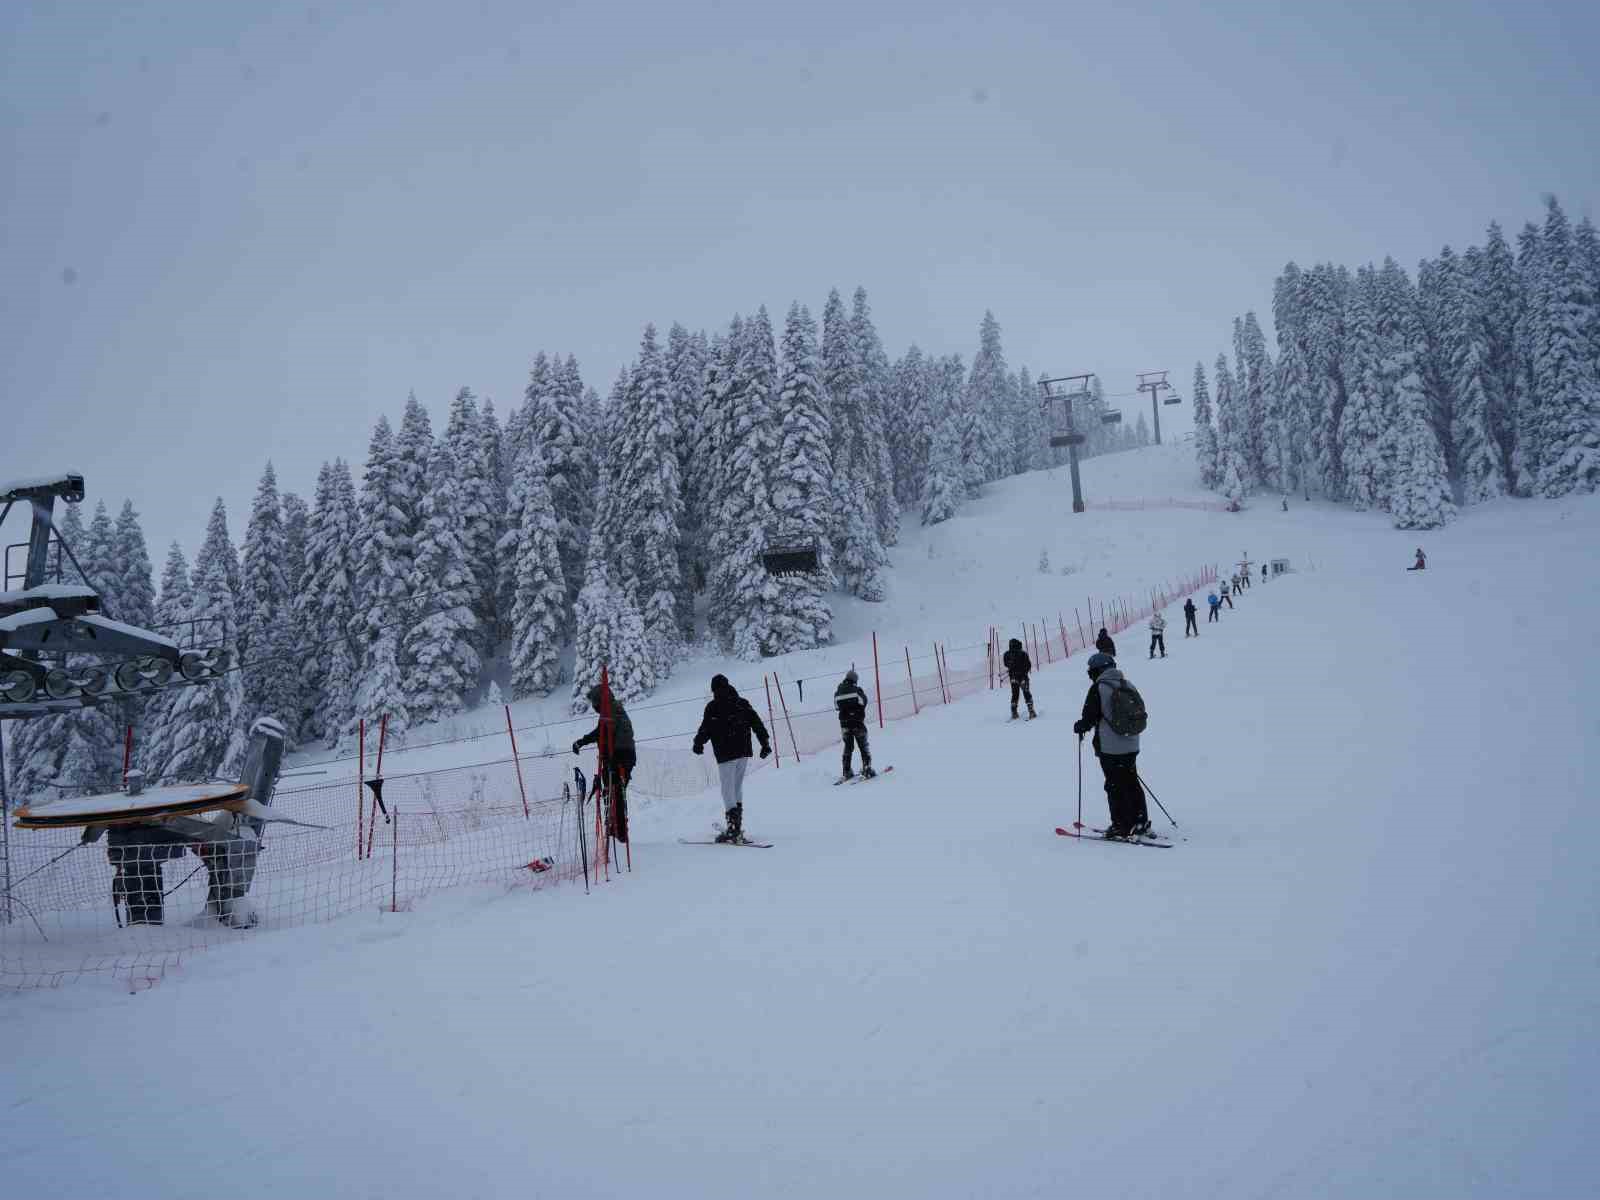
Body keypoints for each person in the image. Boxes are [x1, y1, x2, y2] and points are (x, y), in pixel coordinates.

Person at [1072, 653, 1150, 839]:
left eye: (1091, 671)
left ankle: (1121, 826)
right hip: (1131, 743)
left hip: (1110, 747)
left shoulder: (1099, 688)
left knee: (1115, 785)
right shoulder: (1127, 684)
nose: (1090, 675)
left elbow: (1089, 717)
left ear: (1098, 670)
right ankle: (1140, 821)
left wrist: (1080, 726)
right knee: (1131, 781)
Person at [692, 674, 772, 843]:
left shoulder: (713, 707)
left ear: (714, 689)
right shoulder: (741, 703)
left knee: (727, 790)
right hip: (743, 751)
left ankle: (733, 829)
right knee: (736, 787)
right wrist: (764, 743)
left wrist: (698, 743)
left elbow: (705, 728)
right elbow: (756, 723)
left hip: (726, 753)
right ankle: (736, 826)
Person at [573, 683, 637, 842]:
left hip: (619, 758)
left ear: (600, 701)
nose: (594, 707)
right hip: (620, 757)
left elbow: (603, 733)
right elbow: (602, 732)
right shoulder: (612, 710)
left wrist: (583, 742)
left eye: (595, 703)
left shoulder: (611, 712)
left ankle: (619, 831)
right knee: (613, 793)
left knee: (616, 793)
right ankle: (615, 826)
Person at [834, 669, 876, 780]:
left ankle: (846, 771)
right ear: (854, 680)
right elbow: (863, 702)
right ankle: (867, 769)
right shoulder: (856, 691)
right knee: (863, 746)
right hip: (857, 722)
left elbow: (837, 707)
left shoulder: (838, 692)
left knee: (848, 747)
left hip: (844, 724)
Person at [1001, 637, 1036, 719]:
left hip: (1013, 677)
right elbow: (1028, 665)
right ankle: (1031, 711)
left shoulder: (1007, 654)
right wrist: (1024, 671)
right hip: (1023, 677)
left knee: (1015, 694)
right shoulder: (1023, 653)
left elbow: (1006, 664)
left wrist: (1012, 665)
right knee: (1026, 692)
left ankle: (1014, 712)